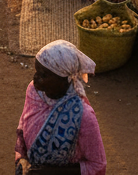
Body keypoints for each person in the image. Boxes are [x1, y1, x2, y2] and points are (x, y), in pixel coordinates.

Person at [15, 40, 107, 175]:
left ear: (65, 79)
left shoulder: (83, 116)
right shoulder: (34, 92)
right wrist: (22, 158)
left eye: (44, 75)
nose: (35, 78)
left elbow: (97, 165)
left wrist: (48, 172)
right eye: (36, 72)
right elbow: (24, 123)